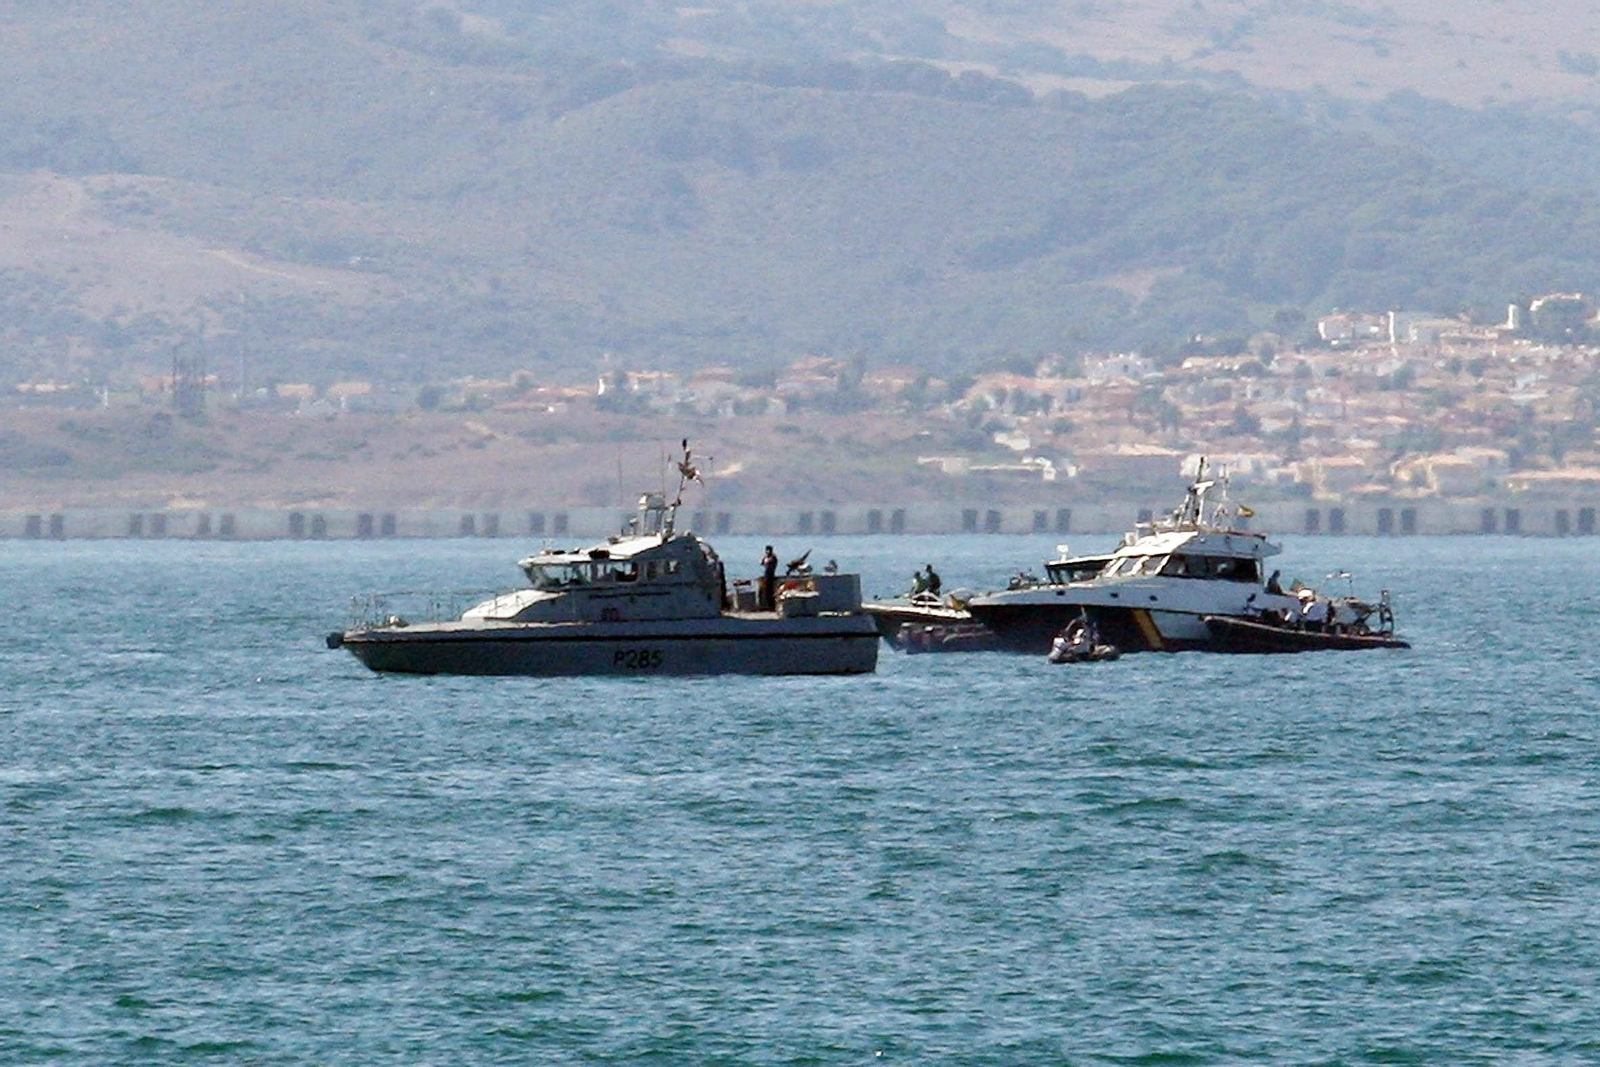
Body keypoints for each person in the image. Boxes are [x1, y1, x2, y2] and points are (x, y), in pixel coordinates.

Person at [759, 545, 778, 611]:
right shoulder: (766, 557)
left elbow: (768, 561)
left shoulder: (773, 557)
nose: (768, 551)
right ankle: (768, 606)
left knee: (769, 592)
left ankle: (772, 607)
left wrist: (766, 559)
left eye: (769, 550)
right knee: (765, 592)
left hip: (770, 576)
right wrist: (764, 557)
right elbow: (761, 563)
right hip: (766, 576)